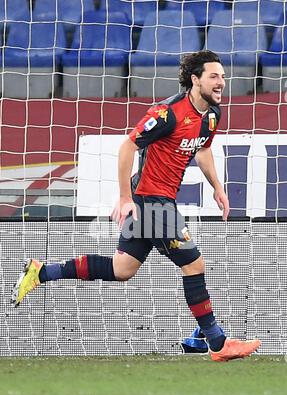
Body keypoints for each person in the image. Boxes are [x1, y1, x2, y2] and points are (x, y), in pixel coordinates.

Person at [11, 50, 260, 362]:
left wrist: (218, 188)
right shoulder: (167, 113)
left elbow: (203, 150)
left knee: (122, 268)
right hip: (149, 199)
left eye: (222, 76)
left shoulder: (212, 114)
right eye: (214, 76)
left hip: (159, 199)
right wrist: (125, 198)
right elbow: (128, 145)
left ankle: (41, 272)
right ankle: (216, 341)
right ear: (195, 80)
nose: (221, 82)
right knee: (194, 264)